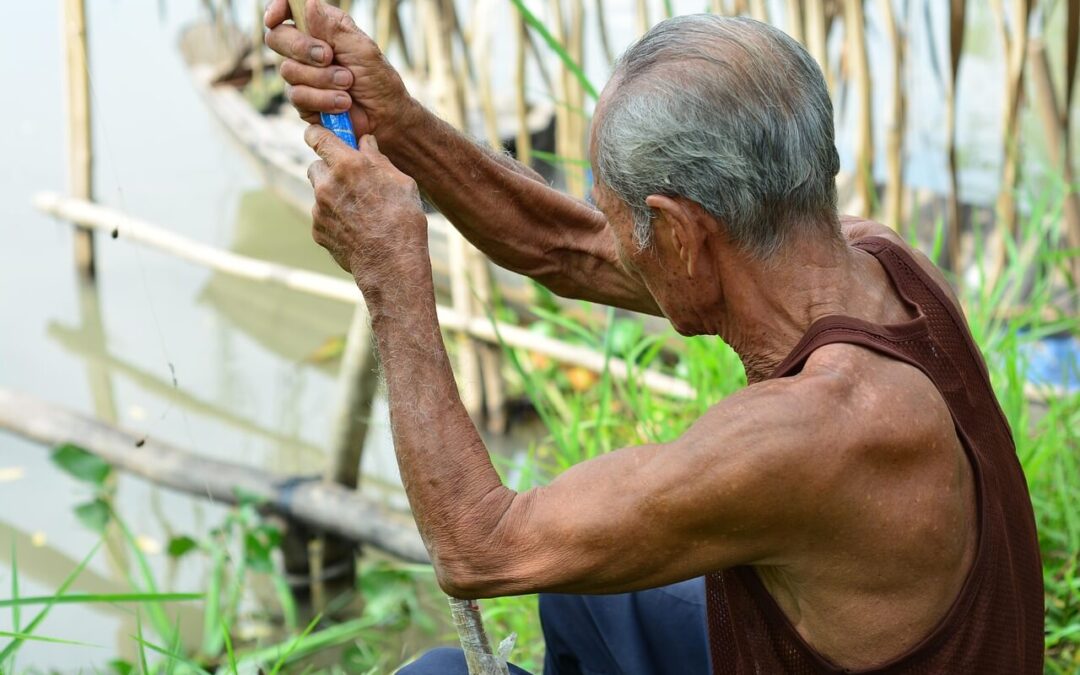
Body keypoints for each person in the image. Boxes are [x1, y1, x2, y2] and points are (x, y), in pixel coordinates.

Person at [264, 2, 1044, 673]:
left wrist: (391, 271)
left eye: (624, 222)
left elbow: (480, 546)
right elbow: (566, 247)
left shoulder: (816, 432)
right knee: (585, 589)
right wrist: (400, 123)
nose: (615, 242)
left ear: (677, 234)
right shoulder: (876, 258)